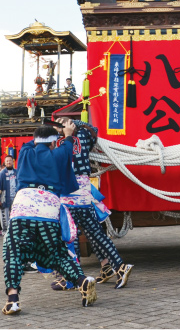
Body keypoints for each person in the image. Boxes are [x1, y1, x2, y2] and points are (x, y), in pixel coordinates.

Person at [2, 122, 97, 315]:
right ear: (54, 143)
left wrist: (49, 133)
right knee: (57, 254)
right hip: (48, 210)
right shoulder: (61, 152)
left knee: (14, 252)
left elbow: (35, 141)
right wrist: (67, 133)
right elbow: (68, 144)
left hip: (23, 208)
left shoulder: (27, 152)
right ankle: (81, 281)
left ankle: (12, 300)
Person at [51, 118, 133, 291]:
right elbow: (93, 129)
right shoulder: (84, 136)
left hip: (68, 194)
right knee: (97, 234)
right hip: (84, 192)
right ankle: (120, 267)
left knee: (69, 236)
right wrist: (76, 123)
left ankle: (74, 277)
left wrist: (64, 132)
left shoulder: (60, 142)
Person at [0, 156, 18, 232]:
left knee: (16, 215)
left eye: (10, 160)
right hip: (5, 198)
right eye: (7, 161)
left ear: (13, 161)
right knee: (5, 216)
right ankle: (5, 231)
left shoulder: (16, 172)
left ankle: (15, 231)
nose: (9, 162)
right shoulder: (2, 173)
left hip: (16, 197)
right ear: (5, 162)